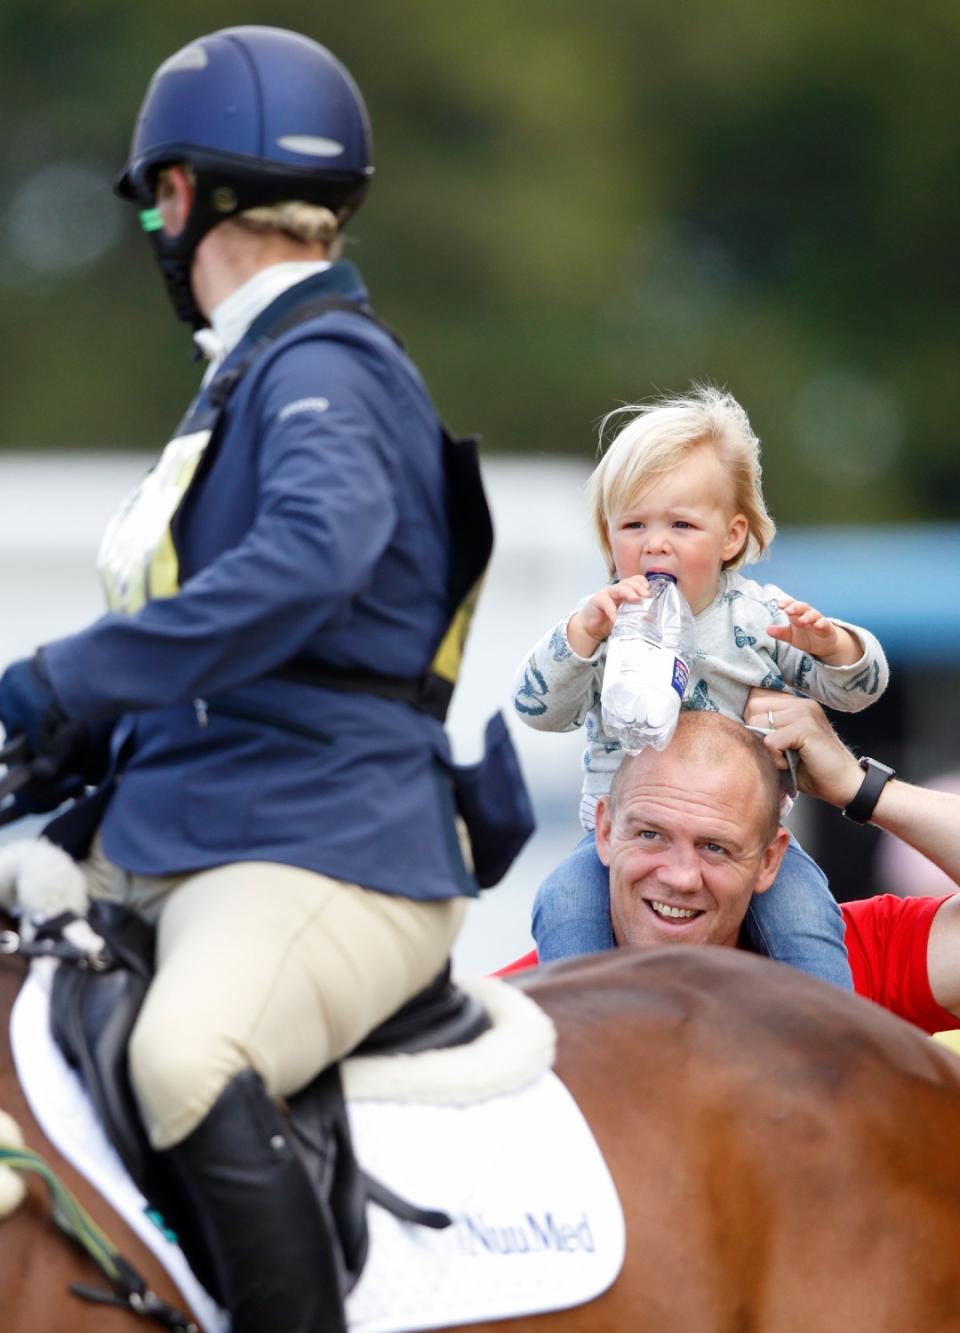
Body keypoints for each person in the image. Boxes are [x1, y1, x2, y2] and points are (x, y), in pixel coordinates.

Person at [0, 26, 530, 1333]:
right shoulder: (248, 380)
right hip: (197, 820)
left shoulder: (326, 373)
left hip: (328, 843)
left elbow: (309, 563)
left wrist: (58, 679)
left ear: (176, 201)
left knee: (191, 1056)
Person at [511, 385, 889, 988]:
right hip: (621, 840)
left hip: (744, 840)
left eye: (682, 524)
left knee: (804, 916)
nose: (655, 542)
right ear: (610, 540)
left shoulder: (758, 616)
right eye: (634, 524)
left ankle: (830, 1051)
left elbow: (859, 691)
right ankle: (591, 1043)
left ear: (732, 538)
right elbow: (536, 709)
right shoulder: (604, 622)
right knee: (563, 903)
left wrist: (834, 646)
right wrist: (580, 634)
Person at [500, 698, 960, 1037]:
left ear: (769, 860)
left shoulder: (842, 961)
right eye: (650, 835)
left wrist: (858, 788)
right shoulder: (508, 1016)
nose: (680, 876)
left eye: (715, 847)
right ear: (603, 832)